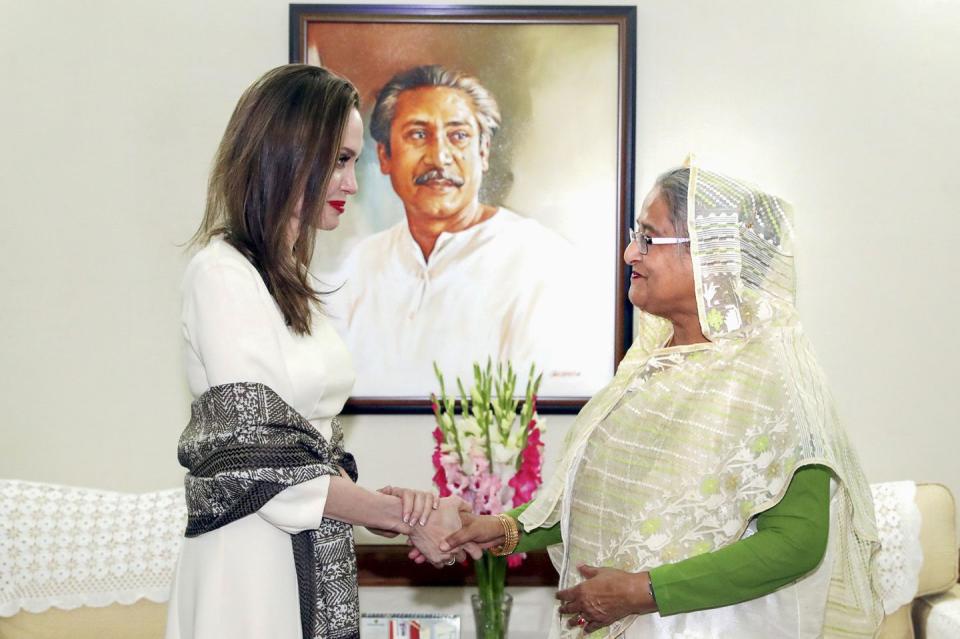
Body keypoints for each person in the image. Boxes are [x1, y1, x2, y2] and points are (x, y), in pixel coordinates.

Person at [440, 164, 883, 638]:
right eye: (636, 236)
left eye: (649, 239)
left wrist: (641, 591)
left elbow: (796, 543)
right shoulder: (651, 364)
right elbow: (608, 498)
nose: (631, 252)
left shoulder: (775, 380)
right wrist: (506, 529)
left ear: (712, 254)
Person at [165, 64, 467, 639]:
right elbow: (261, 461)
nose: (352, 185)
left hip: (296, 549)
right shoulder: (221, 275)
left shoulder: (287, 280)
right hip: (248, 565)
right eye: (340, 161)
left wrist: (382, 504)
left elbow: (302, 453)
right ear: (285, 156)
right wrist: (403, 516)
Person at [328, 64, 599, 398]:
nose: (439, 158)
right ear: (385, 155)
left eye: (458, 136)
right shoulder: (360, 265)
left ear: (483, 152)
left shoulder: (543, 263)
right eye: (417, 134)